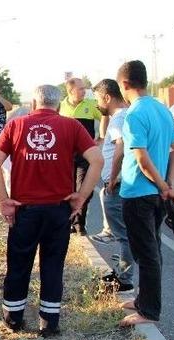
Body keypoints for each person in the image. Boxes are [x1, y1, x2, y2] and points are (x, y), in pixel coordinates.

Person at [0, 84, 104, 337]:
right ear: (59, 104)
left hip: (24, 211)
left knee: (18, 264)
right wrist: (81, 196)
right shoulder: (71, 126)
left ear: (33, 103)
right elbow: (97, 159)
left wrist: (2, 199)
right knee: (53, 265)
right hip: (58, 210)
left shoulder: (16, 125)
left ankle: (13, 319)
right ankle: (49, 323)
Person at [115, 60, 174, 327]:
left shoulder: (134, 114)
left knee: (147, 252)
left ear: (124, 84)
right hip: (156, 193)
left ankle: (149, 312)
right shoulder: (161, 109)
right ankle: (144, 300)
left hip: (138, 194)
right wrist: (167, 184)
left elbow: (141, 159)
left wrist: (164, 185)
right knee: (152, 247)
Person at [91, 79, 134, 292]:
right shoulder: (125, 115)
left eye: (99, 99)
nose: (98, 104)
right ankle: (122, 273)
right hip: (126, 183)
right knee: (127, 233)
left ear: (107, 97)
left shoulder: (118, 119)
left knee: (123, 235)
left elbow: (121, 147)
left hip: (117, 185)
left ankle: (124, 280)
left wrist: (113, 178)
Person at [59, 77, 103, 235]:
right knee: (66, 190)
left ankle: (79, 223)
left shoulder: (90, 105)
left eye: (84, 88)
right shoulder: (60, 107)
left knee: (85, 189)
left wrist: (101, 137)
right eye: (81, 89)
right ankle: (68, 222)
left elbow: (106, 115)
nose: (84, 91)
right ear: (70, 91)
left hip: (85, 156)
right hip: (65, 157)